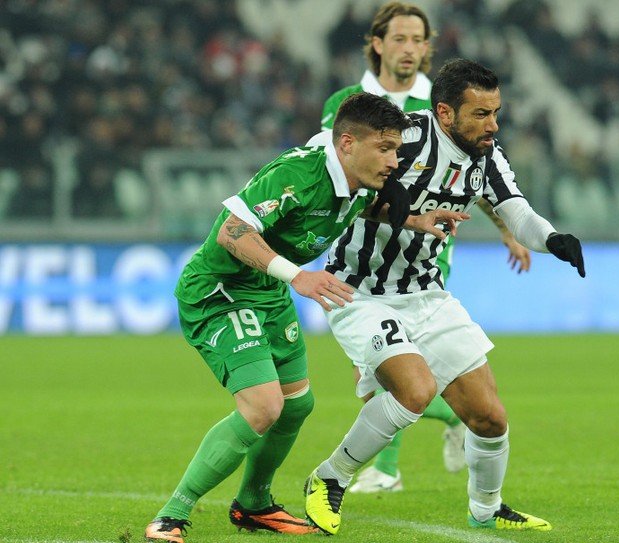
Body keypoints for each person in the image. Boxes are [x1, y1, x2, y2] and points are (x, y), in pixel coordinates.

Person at [144, 92, 467, 543]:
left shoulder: (356, 178)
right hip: (222, 291)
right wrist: (298, 276)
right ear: (348, 143)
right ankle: (170, 517)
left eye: (396, 149)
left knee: (296, 405)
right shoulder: (298, 174)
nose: (395, 161)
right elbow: (231, 232)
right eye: (385, 148)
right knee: (264, 406)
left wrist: (415, 220)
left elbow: (358, 206)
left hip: (268, 291)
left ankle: (254, 504)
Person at [303, 59, 585, 535]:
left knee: (490, 418)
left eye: (496, 113)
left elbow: (517, 212)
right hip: (358, 291)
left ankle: (486, 509)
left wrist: (552, 239)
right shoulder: (404, 137)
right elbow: (330, 163)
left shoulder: (487, 157)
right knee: (414, 391)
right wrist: (389, 203)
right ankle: (331, 476)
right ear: (445, 113)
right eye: (481, 114)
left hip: (426, 292)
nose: (493, 125)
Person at [319, 1, 531, 494]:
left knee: (393, 373)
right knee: (378, 375)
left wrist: (506, 228)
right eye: (400, 39)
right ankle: (447, 423)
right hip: (361, 252)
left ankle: (386, 470)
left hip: (426, 257)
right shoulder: (347, 101)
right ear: (378, 44)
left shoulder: (440, 103)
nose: (410, 49)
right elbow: (335, 170)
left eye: (419, 40)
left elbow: (474, 173)